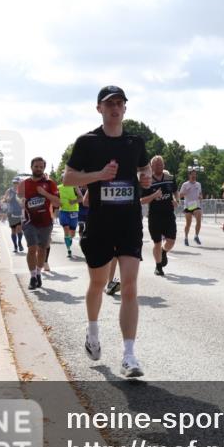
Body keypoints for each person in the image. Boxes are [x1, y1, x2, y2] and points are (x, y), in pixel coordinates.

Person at [63, 85, 151, 379]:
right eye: (109, 103)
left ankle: (129, 355)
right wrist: (99, 176)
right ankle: (92, 332)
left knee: (129, 286)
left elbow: (143, 170)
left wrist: (146, 177)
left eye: (119, 103)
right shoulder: (87, 142)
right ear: (99, 108)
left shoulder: (135, 141)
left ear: (125, 108)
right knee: (98, 283)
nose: (115, 108)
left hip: (129, 222)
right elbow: (68, 178)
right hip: (100, 222)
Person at [18, 158, 59, 290]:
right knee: (32, 248)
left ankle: (38, 273)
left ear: (44, 168)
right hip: (29, 221)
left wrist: (44, 193)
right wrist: (21, 201)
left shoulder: (50, 183)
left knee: (42, 249)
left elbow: (58, 203)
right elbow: (19, 198)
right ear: (31, 167)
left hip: (46, 222)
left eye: (41, 167)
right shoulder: (24, 184)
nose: (39, 169)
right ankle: (32, 277)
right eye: (36, 166)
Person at [141, 155, 178, 276]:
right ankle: (158, 267)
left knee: (171, 241)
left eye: (161, 164)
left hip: (169, 215)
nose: (159, 167)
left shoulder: (170, 178)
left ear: (164, 165)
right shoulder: (147, 180)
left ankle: (163, 251)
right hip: (155, 216)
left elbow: (175, 191)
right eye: (156, 165)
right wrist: (153, 196)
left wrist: (177, 200)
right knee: (156, 242)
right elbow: (141, 200)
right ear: (151, 166)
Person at [178, 167, 203, 246]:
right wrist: (185, 192)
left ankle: (196, 236)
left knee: (199, 218)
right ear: (189, 176)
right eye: (192, 175)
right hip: (188, 205)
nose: (194, 176)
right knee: (188, 224)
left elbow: (200, 194)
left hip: (196, 205)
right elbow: (180, 195)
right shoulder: (185, 184)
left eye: (195, 175)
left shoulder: (198, 184)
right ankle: (186, 237)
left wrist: (201, 197)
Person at [59, 180, 81, 259]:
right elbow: (55, 198)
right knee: (66, 229)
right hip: (63, 211)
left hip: (74, 211)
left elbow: (81, 198)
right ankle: (68, 250)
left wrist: (74, 201)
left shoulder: (75, 186)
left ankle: (70, 239)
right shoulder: (59, 188)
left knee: (72, 233)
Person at [3, 180, 24, 252]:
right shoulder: (9, 191)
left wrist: (22, 202)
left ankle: (19, 243)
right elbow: (4, 199)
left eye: (17, 183)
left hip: (19, 212)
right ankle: (15, 246)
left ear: (19, 183)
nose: (16, 184)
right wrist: (8, 199)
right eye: (14, 183)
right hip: (11, 212)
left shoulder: (21, 191)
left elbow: (24, 200)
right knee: (13, 230)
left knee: (19, 229)